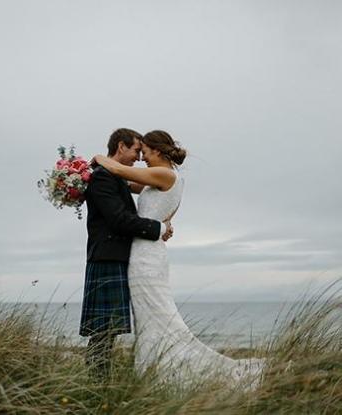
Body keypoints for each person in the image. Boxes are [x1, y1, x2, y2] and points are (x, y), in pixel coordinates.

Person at [93, 130, 264, 389]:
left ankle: (163, 372)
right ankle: (155, 370)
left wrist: (95, 158)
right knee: (151, 317)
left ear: (158, 152)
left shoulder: (165, 175)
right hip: (147, 253)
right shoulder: (158, 179)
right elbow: (125, 184)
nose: (142, 158)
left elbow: (118, 172)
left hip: (146, 259)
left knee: (158, 317)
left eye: (146, 152)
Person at [79, 128, 173, 380]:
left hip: (116, 257)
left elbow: (146, 186)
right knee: (103, 333)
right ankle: (97, 386)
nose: (138, 157)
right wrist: (159, 228)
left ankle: (100, 384)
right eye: (135, 150)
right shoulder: (102, 178)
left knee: (107, 332)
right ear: (121, 146)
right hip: (107, 258)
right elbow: (120, 220)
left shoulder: (115, 177)